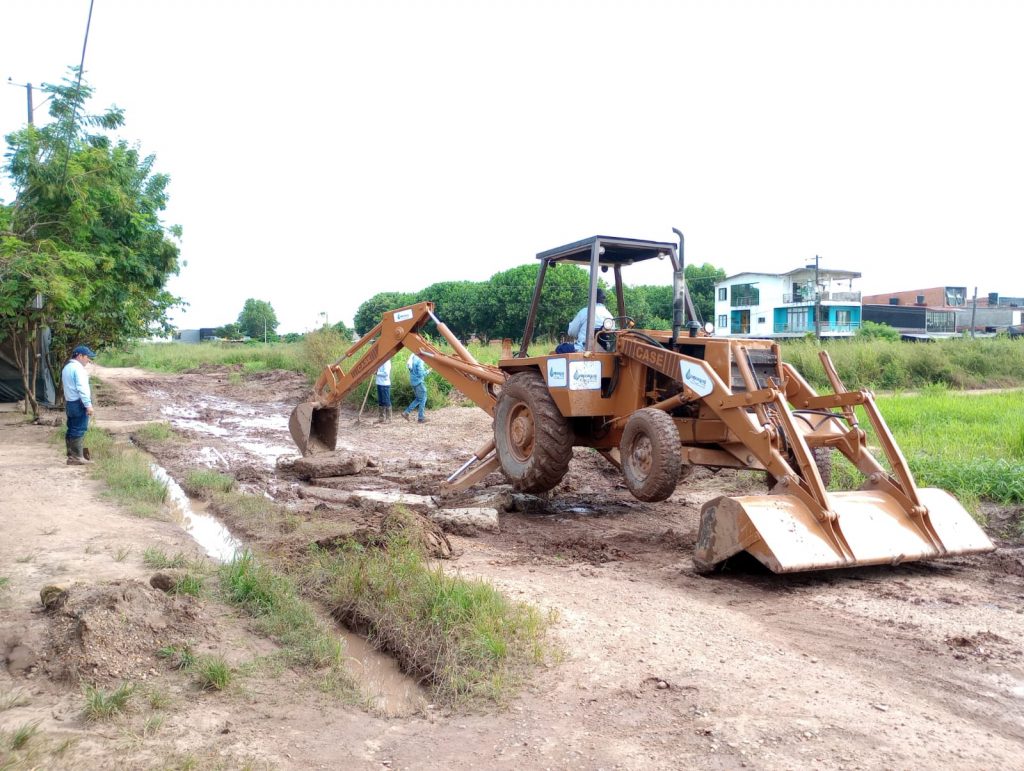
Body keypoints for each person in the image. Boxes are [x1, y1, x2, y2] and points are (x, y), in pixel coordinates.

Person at [61, 344, 96, 465]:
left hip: (70, 403)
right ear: (80, 356)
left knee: (71, 428)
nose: (89, 360)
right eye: (87, 357)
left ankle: (71, 456)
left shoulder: (67, 367)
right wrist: (88, 405)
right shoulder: (78, 369)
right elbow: (82, 388)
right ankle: (77, 458)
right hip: (78, 403)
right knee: (79, 429)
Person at [557, 288, 613, 353]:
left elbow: (571, 332)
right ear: (603, 300)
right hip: (604, 351)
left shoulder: (585, 311)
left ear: (590, 298)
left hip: (584, 349)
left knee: (560, 348)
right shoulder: (610, 316)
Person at [402, 352, 429, 423]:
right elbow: (421, 374)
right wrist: (428, 371)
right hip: (419, 382)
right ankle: (421, 418)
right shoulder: (420, 360)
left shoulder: (413, 357)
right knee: (423, 398)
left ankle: (406, 412)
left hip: (413, 382)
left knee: (418, 399)